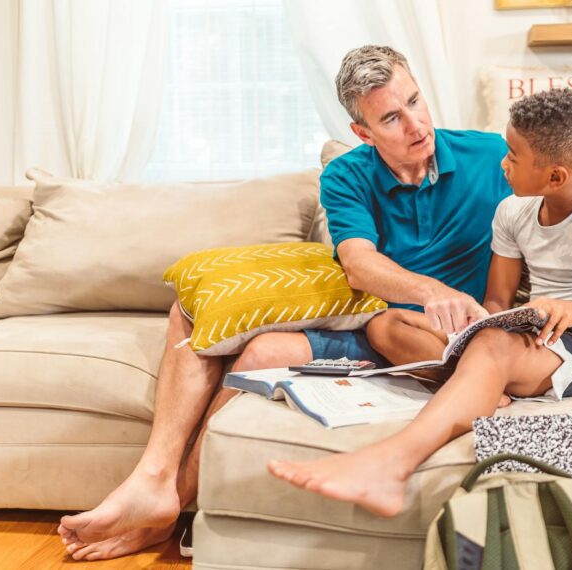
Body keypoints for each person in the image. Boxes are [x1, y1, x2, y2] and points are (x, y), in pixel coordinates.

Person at [57, 44, 513, 560]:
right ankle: (155, 481)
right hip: (367, 325)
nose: (415, 124)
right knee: (210, 324)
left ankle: (166, 504)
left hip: (427, 341)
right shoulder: (347, 175)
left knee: (255, 354)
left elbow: (550, 225)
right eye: (391, 117)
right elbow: (358, 264)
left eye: (414, 100)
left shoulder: (492, 156)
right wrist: (432, 290)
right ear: (362, 132)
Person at [267, 88, 572, 517]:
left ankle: (391, 464)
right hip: (531, 338)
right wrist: (480, 322)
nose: (502, 162)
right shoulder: (512, 212)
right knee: (387, 325)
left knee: (493, 346)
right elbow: (497, 300)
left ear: (554, 176)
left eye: (513, 156)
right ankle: (486, 385)